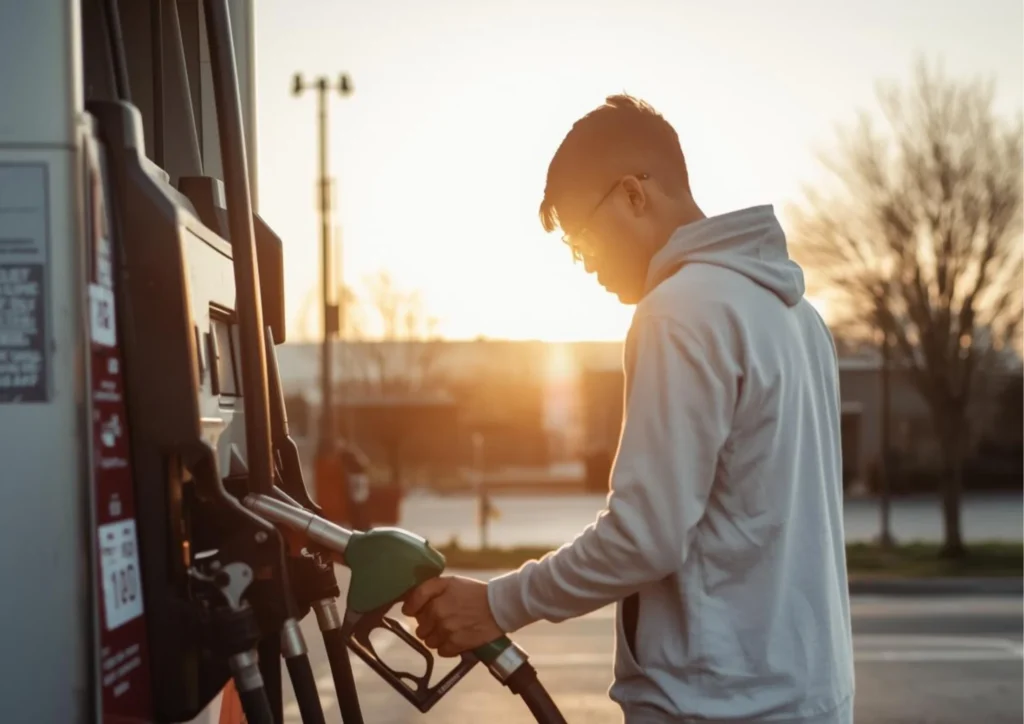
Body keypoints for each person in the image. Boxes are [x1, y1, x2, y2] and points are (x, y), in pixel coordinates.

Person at [403, 94, 855, 723]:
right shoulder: (797, 316)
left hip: (716, 708)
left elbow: (645, 538)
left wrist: (499, 603)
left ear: (633, 196)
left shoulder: (680, 310)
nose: (584, 265)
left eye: (582, 238)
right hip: (810, 701)